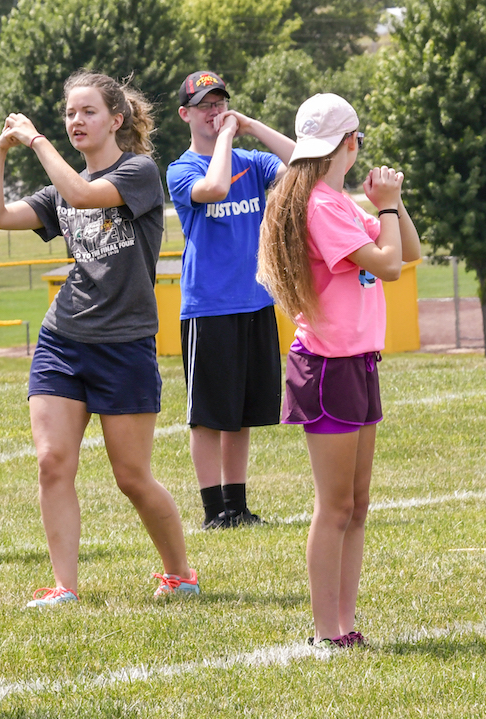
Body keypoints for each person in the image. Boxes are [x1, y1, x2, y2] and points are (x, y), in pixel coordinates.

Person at [0, 70, 200, 608]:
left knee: (131, 477)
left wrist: (36, 140)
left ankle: (180, 572)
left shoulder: (140, 171)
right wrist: (1, 153)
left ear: (116, 120)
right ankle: (64, 586)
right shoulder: (61, 186)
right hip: (63, 338)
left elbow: (82, 192)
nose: (76, 121)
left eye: (87, 112)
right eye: (69, 113)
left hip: (124, 344)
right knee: (52, 461)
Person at [257, 94, 420, 649]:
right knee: (335, 506)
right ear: (348, 142)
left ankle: (345, 624)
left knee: (357, 502)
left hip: (356, 361)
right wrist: (389, 207)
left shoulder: (340, 202)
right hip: (327, 366)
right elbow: (390, 266)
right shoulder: (321, 207)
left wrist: (391, 205)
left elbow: (410, 250)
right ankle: (328, 630)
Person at [167, 71, 294, 528]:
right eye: (203, 104)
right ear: (185, 114)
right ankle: (211, 510)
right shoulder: (182, 169)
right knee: (208, 416)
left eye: (219, 102)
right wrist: (224, 140)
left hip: (254, 301)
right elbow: (216, 188)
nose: (213, 111)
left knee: (240, 414)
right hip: (210, 307)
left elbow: (306, 167)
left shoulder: (252, 160)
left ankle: (237, 507)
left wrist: (253, 127)